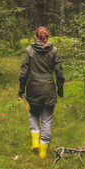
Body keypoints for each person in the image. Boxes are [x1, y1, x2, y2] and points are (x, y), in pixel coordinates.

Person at [18, 26, 64, 158]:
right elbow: (59, 72)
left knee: (33, 113)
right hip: (49, 88)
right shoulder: (54, 51)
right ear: (48, 37)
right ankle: (43, 152)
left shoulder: (29, 51)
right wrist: (60, 89)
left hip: (33, 88)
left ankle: (35, 141)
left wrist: (22, 88)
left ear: (36, 37)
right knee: (47, 119)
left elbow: (24, 72)